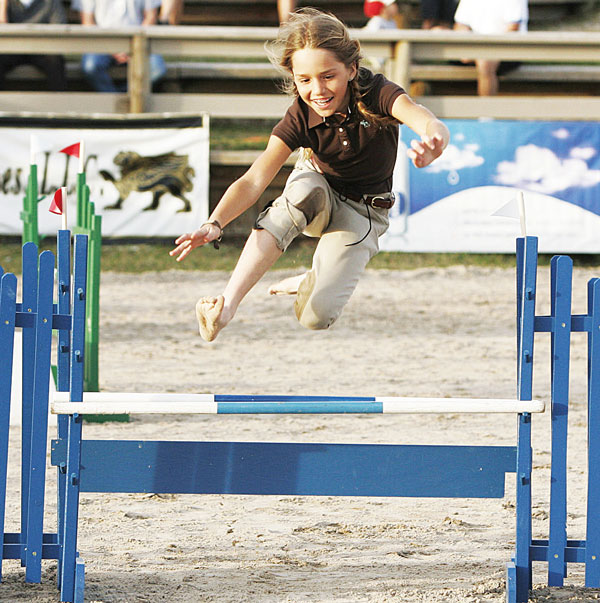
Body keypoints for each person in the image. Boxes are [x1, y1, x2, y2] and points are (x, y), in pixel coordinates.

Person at [170, 8, 449, 342]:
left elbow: (425, 119)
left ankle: (310, 282)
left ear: (352, 69)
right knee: (302, 192)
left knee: (316, 317)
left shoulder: (376, 92)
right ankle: (227, 305)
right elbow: (254, 179)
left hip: (364, 212)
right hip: (318, 190)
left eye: (328, 76)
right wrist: (214, 223)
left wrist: (434, 142)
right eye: (305, 80)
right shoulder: (300, 116)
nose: (317, 90)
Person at [73, 0, 167, 93]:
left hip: (139, 43)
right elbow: (87, 22)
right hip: (100, 43)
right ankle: (124, 100)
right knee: (90, 66)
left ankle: (122, 99)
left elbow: (151, 17)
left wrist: (135, 47)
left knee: (157, 69)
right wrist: (111, 48)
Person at [453, 0, 528, 96]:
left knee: (485, 63)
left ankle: (485, 110)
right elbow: (461, 25)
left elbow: (512, 29)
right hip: (475, 50)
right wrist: (467, 48)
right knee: (484, 60)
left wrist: (482, 52)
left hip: (508, 50)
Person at [0, 0, 67, 90]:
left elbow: (59, 29)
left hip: (41, 50)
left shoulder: (50, 2)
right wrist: (2, 7)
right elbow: (2, 30)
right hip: (12, 49)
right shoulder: (6, 2)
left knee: (55, 61)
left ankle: (59, 102)